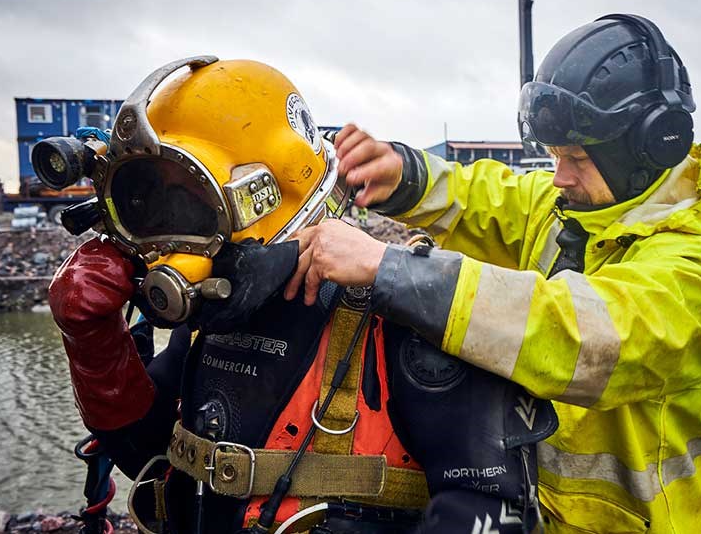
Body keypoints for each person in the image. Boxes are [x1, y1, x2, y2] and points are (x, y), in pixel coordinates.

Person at [285, 14, 701, 532]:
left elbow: (587, 336)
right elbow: (483, 196)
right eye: (553, 155)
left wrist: (387, 268)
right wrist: (401, 172)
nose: (558, 175)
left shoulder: (700, 270)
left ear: (652, 148)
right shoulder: (568, 207)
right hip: (528, 512)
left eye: (578, 159)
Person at [47, 57, 556, 534]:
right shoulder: (209, 324)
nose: (166, 246)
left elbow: (492, 506)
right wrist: (95, 347)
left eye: (189, 209)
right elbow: (147, 453)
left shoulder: (405, 323)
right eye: (153, 209)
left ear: (263, 198)